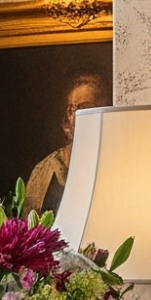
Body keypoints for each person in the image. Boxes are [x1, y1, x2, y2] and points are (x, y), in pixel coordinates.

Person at [24, 68, 110, 215]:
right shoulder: (45, 168)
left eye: (83, 108)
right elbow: (29, 224)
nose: (75, 116)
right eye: (71, 110)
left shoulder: (114, 163)